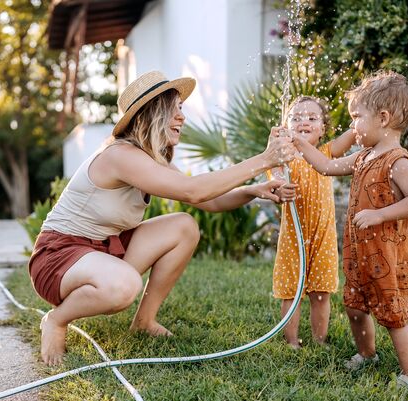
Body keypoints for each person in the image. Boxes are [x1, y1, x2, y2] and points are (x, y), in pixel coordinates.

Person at [29, 70, 298, 365]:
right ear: (152, 113)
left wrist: (254, 190)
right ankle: (56, 320)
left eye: (181, 109)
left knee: (184, 226)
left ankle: (144, 321)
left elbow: (209, 200)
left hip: (102, 249)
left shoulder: (149, 159)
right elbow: (194, 191)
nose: (182, 117)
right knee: (124, 285)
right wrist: (264, 159)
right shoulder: (120, 156)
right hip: (59, 257)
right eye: (175, 109)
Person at [291, 71, 408, 388]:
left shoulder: (398, 161)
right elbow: (326, 166)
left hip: (389, 256)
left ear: (382, 118)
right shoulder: (363, 156)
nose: (353, 126)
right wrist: (299, 142)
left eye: (357, 118)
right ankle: (367, 354)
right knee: (354, 305)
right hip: (361, 252)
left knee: (394, 316)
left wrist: (380, 215)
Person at [270, 96, 355, 349]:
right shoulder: (283, 158)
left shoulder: (327, 152)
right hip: (292, 238)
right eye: (295, 117)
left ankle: (319, 341)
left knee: (321, 292)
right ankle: (292, 341)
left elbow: (353, 134)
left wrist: (364, 113)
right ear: (286, 126)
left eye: (311, 118)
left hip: (323, 236)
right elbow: (273, 181)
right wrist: (279, 187)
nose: (303, 122)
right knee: (291, 292)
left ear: (323, 128)